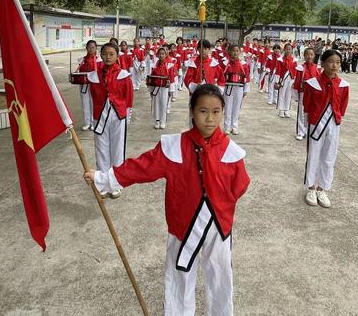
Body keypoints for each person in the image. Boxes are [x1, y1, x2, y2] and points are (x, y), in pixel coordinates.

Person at [83, 84, 250, 316]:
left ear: (223, 112)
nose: (210, 119)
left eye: (216, 111)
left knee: (220, 276)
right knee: (178, 276)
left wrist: (220, 205)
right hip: (182, 224)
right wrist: (104, 179)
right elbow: (141, 167)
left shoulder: (233, 151)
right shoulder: (173, 146)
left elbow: (240, 185)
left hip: (218, 227)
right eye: (203, 111)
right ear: (191, 111)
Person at [303, 50, 349, 208]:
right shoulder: (312, 83)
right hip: (316, 123)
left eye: (337, 62)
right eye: (330, 61)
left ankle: (322, 188)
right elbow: (307, 106)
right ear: (322, 63)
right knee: (314, 155)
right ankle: (311, 187)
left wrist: (336, 120)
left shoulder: (344, 85)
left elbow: (342, 107)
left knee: (329, 157)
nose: (334, 65)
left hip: (334, 124)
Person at [87, 43, 133, 198]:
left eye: (111, 54)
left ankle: (115, 183)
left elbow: (128, 97)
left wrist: (127, 115)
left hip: (118, 115)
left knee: (117, 149)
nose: (108, 57)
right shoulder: (93, 75)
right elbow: (91, 97)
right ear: (101, 55)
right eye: (105, 54)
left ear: (117, 56)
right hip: (99, 115)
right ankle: (102, 183)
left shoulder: (124, 75)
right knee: (101, 148)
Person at [222, 44, 251, 135]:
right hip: (228, 88)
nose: (235, 53)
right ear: (229, 51)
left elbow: (247, 77)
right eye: (233, 50)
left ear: (240, 52)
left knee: (236, 108)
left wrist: (246, 89)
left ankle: (235, 126)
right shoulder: (225, 62)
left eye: (237, 51)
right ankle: (227, 127)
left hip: (239, 88)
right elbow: (221, 76)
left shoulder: (244, 64)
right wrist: (221, 88)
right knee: (228, 107)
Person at [293, 48, 319, 141]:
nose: (309, 56)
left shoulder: (317, 68)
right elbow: (297, 82)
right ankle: (300, 131)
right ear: (304, 56)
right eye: (307, 54)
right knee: (301, 112)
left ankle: (308, 130)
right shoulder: (301, 68)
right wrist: (296, 95)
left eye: (311, 54)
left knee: (311, 112)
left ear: (314, 56)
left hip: (313, 94)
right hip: (303, 93)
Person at [148, 47, 175, 129]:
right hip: (156, 88)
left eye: (163, 54)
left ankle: (163, 122)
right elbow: (151, 78)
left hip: (164, 88)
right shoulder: (154, 65)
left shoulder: (169, 65)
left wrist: (171, 90)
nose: (161, 55)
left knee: (163, 104)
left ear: (166, 54)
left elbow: (171, 78)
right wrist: (150, 89)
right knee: (156, 105)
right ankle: (157, 121)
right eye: (159, 54)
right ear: (157, 55)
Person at [76, 40, 100, 130]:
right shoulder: (82, 60)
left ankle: (94, 122)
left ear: (96, 48)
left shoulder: (99, 60)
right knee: (85, 103)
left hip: (95, 84)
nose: (91, 49)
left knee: (93, 103)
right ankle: (87, 122)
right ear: (86, 48)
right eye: (89, 47)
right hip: (84, 84)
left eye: (93, 47)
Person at [275, 42, 297, 118]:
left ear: (292, 50)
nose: (288, 51)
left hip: (291, 78)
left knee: (288, 94)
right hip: (282, 79)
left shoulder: (294, 60)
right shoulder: (280, 59)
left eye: (290, 49)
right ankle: (281, 109)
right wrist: (277, 81)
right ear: (284, 50)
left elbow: (295, 71)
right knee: (282, 94)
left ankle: (287, 110)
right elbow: (278, 71)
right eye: (287, 49)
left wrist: (295, 81)